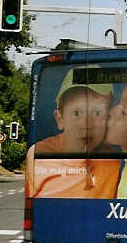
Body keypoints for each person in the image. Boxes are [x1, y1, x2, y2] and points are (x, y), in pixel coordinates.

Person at [25, 67, 120, 199]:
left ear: (108, 120)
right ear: (59, 119)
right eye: (77, 113)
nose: (87, 124)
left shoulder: (115, 162)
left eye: (97, 113)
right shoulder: (39, 154)